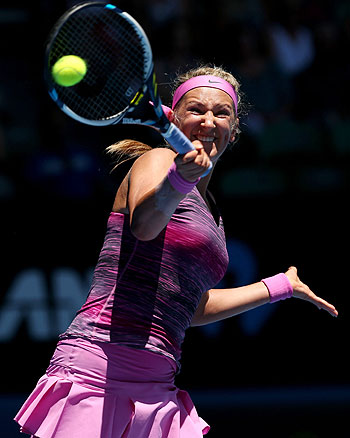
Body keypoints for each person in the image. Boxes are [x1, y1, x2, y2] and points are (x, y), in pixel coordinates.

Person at [14, 65, 338, 438]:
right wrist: (179, 180)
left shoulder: (212, 209)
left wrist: (280, 286)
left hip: (158, 381)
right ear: (174, 117)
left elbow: (189, 307)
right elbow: (144, 225)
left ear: (233, 132)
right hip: (97, 369)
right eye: (196, 109)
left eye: (221, 113)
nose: (208, 120)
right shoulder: (157, 162)